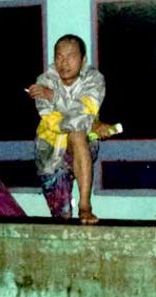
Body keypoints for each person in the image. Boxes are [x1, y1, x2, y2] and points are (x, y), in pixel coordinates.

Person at [26, 34, 116, 225]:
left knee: (77, 134)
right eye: (59, 56)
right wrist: (93, 123)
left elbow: (87, 109)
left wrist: (54, 97)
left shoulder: (94, 79)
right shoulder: (44, 81)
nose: (64, 63)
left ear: (83, 60)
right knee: (62, 217)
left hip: (83, 144)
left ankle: (85, 206)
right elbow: (55, 123)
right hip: (50, 152)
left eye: (71, 56)